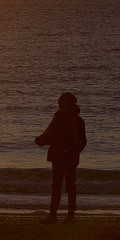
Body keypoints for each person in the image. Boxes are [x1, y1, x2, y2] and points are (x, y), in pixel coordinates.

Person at [35, 92, 87, 224]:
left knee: (69, 186)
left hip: (69, 158)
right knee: (57, 186)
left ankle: (70, 216)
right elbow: (50, 135)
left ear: (68, 104)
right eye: (59, 103)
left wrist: (70, 150)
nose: (59, 105)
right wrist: (41, 140)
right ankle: (53, 216)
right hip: (58, 157)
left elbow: (82, 141)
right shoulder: (59, 119)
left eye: (62, 103)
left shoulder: (77, 121)